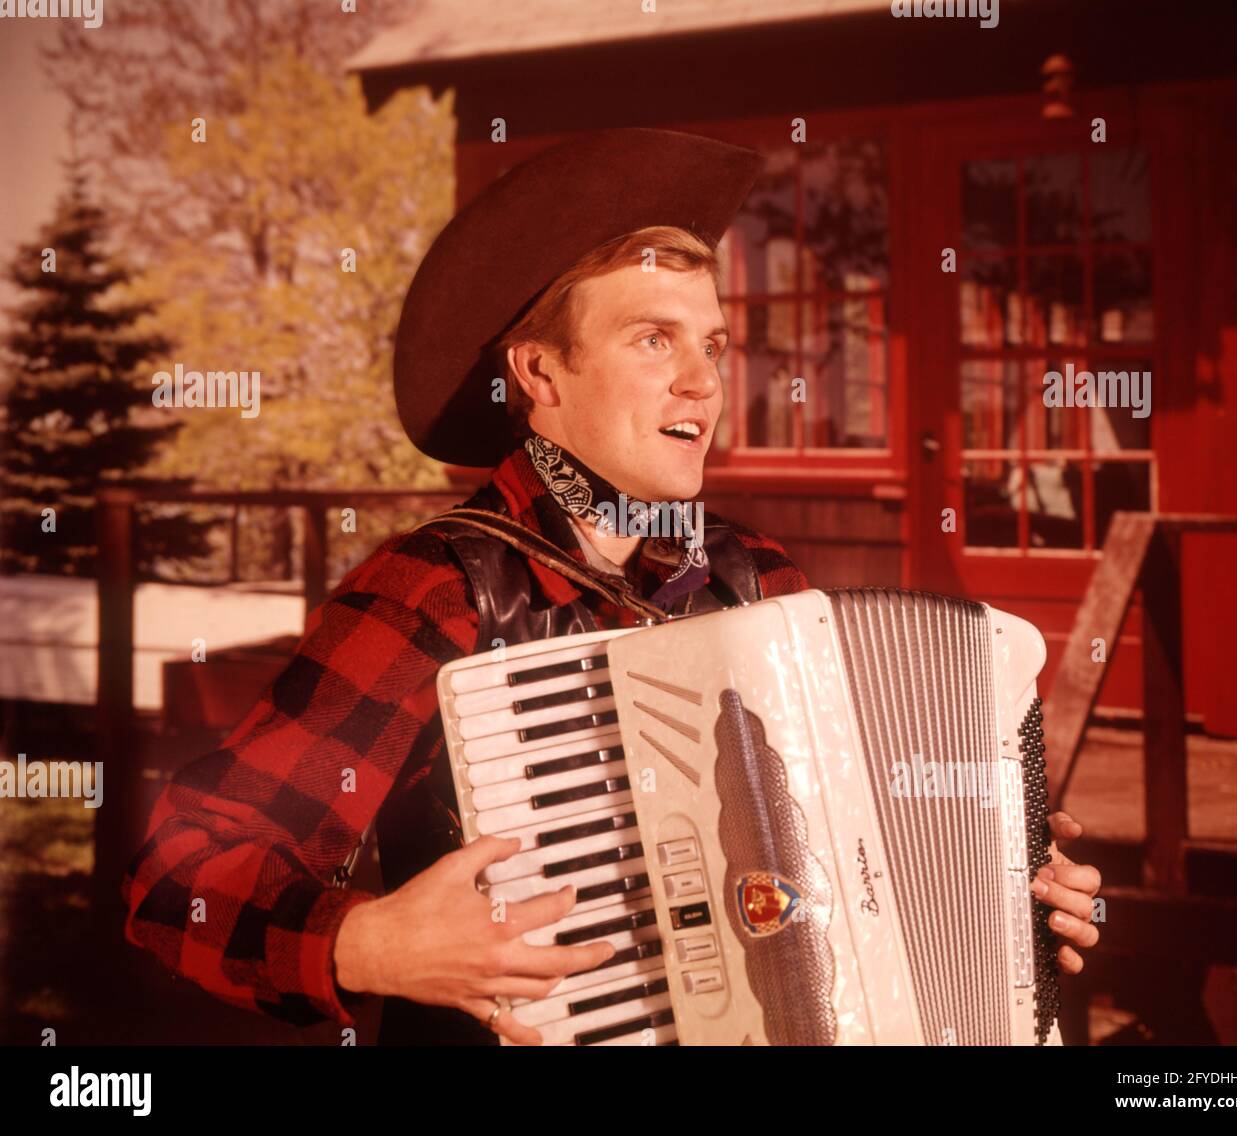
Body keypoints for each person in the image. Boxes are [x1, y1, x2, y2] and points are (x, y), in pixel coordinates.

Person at [122, 128, 1101, 1046]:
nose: (704, 382)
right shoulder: (438, 586)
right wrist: (369, 941)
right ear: (541, 370)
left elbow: (861, 865)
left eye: (711, 343)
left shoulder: (760, 581)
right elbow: (176, 876)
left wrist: (1006, 892)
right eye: (652, 340)